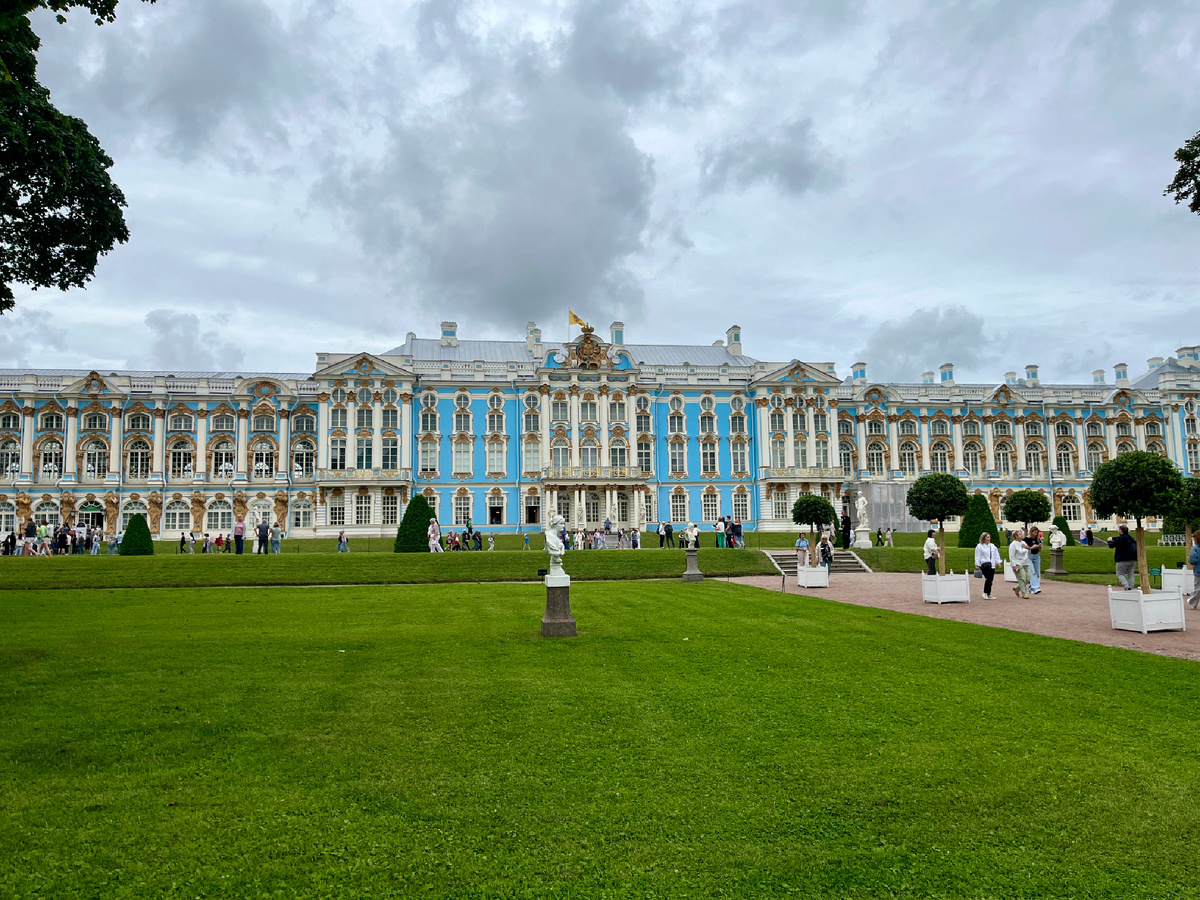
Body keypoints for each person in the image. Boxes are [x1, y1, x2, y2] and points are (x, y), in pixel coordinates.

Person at [1106, 525, 1138, 590]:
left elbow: (1111, 546)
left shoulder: (1120, 539)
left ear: (1120, 530)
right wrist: (1113, 538)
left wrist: (1109, 541)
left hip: (1122, 559)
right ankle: (1131, 586)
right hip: (1132, 558)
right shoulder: (1131, 538)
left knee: (1120, 573)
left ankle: (1126, 586)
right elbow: (1120, 538)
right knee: (1131, 574)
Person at [975, 533, 1001, 599]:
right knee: (988, 578)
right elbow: (978, 555)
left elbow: (996, 554)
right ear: (984, 538)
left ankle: (988, 593)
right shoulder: (979, 546)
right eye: (987, 537)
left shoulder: (992, 546)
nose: (989, 538)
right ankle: (985, 592)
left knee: (991, 579)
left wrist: (998, 562)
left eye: (989, 537)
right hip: (984, 564)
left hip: (992, 565)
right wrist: (977, 564)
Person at [1009, 528, 1031, 598]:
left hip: (1026, 563)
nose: (1022, 535)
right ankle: (1024, 593)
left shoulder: (1023, 543)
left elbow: (1028, 552)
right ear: (1016, 536)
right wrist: (1014, 565)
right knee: (1022, 578)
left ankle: (1017, 588)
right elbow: (1011, 556)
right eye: (1020, 534)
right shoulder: (1013, 545)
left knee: (1028, 578)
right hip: (1018, 563)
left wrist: (1028, 548)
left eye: (1022, 534)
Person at [1025, 526, 1043, 594]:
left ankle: (1031, 588)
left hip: (1036, 556)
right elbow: (1025, 548)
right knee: (1032, 572)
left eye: (1036, 533)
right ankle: (1036, 587)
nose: (1035, 534)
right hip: (1029, 556)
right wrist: (1032, 547)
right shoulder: (1027, 539)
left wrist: (1039, 547)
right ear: (1031, 532)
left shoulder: (1037, 539)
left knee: (1037, 573)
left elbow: (1039, 549)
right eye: (1034, 532)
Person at [1188, 533, 1200, 609]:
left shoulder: (1195, 549)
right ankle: (1193, 602)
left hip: (1198, 571)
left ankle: (1193, 602)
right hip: (1198, 571)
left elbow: (1192, 560)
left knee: (1197, 588)